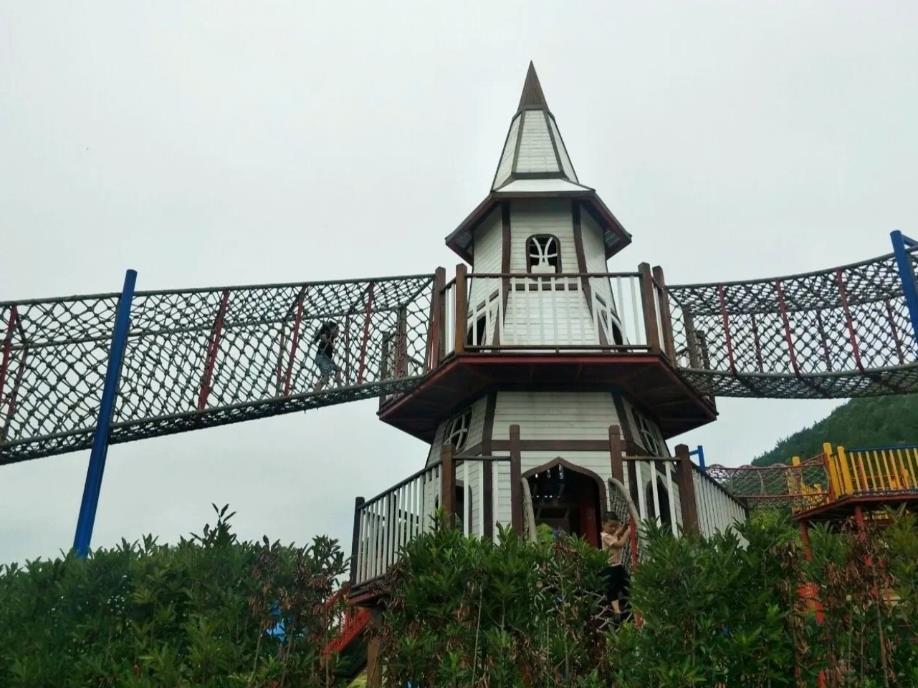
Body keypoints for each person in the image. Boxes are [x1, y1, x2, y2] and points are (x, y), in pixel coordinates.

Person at [600, 516, 631, 621]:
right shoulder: (605, 536)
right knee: (612, 589)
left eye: (615, 526)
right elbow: (619, 544)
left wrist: (625, 527)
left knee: (626, 584)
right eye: (611, 526)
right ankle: (617, 611)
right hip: (610, 568)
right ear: (603, 525)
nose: (613, 528)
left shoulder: (611, 534)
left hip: (617, 566)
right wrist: (627, 533)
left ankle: (631, 604)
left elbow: (617, 533)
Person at [313, 321, 342, 392]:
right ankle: (316, 391)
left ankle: (339, 386)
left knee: (338, 369)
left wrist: (330, 344)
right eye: (337, 331)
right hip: (322, 357)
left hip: (327, 358)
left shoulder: (331, 337)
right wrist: (326, 341)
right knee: (326, 377)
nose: (338, 333)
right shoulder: (328, 334)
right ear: (332, 329)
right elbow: (322, 337)